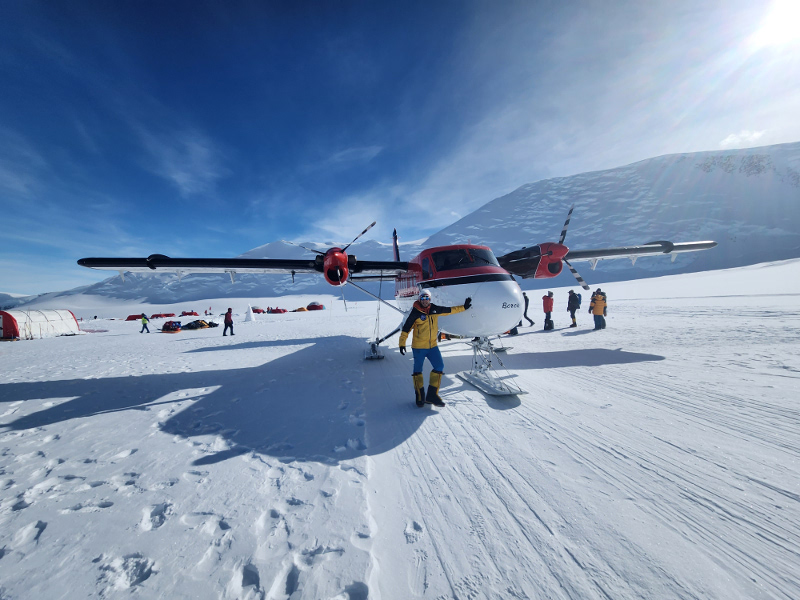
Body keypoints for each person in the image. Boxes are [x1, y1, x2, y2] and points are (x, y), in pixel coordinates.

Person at [399, 290, 471, 407]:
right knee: (417, 371)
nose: (425, 300)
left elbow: (450, 310)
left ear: (430, 299)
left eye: (427, 298)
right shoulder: (415, 312)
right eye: (422, 298)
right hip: (419, 347)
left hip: (432, 346)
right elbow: (406, 328)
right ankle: (419, 396)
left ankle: (432, 395)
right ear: (419, 299)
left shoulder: (434, 309)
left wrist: (464, 307)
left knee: (439, 366)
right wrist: (402, 343)